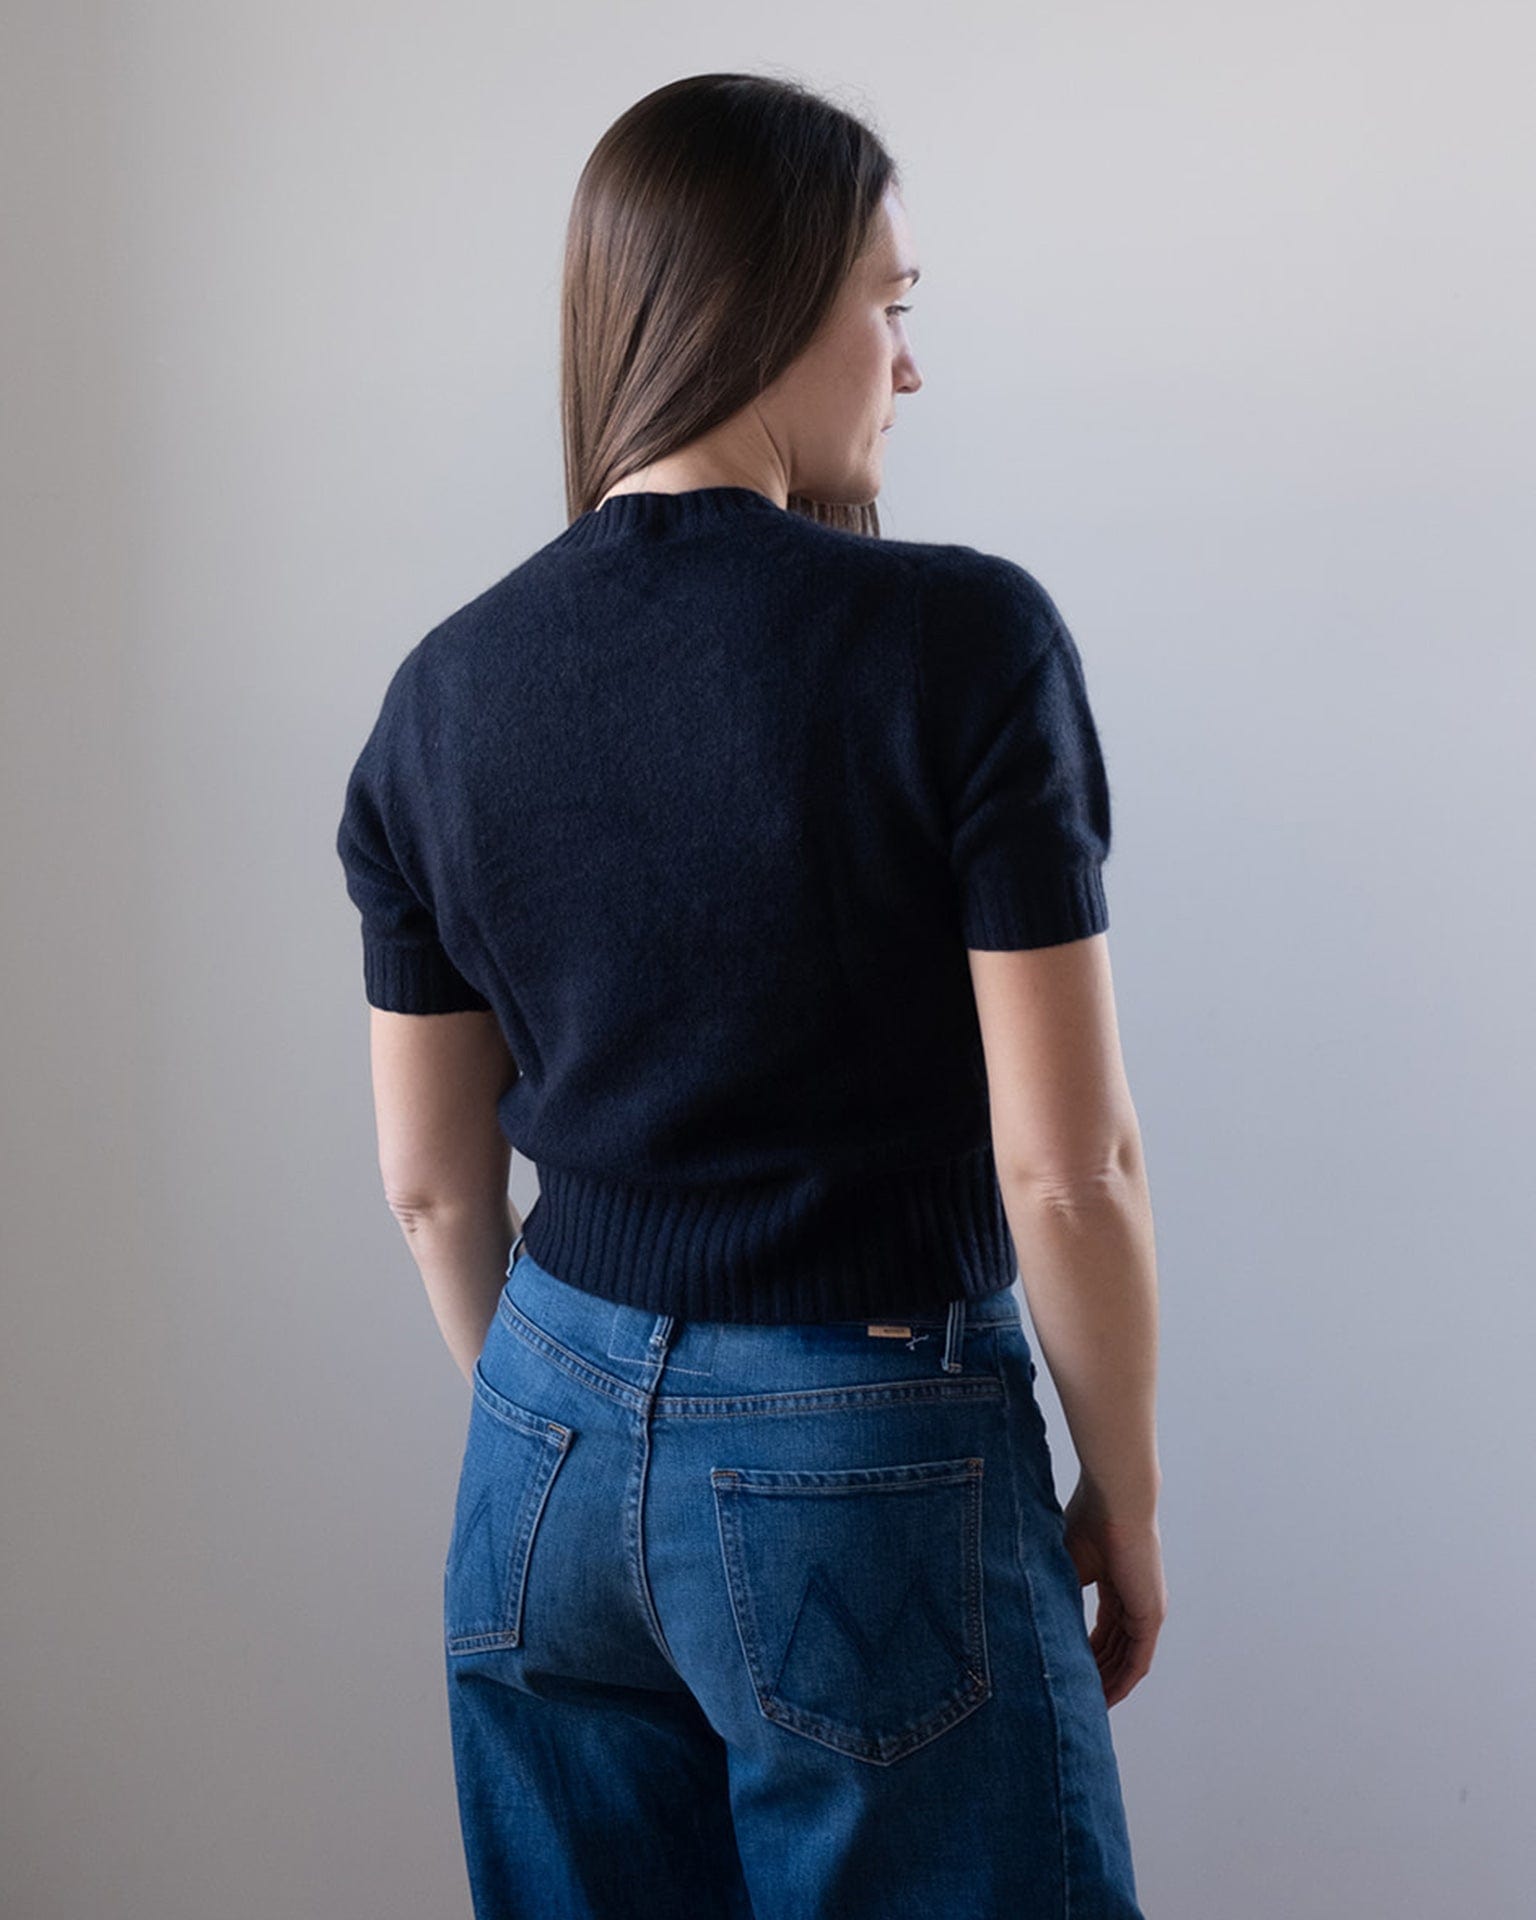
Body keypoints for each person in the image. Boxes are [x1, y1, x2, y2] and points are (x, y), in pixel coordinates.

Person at [336, 69, 1165, 1920]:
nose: (909, 364)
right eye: (893, 305)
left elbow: (430, 1186)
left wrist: (572, 1429)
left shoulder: (440, 694)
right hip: (860, 1442)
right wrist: (1128, 1498)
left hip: (533, 1445)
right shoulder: (960, 640)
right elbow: (1071, 1173)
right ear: (774, 302)